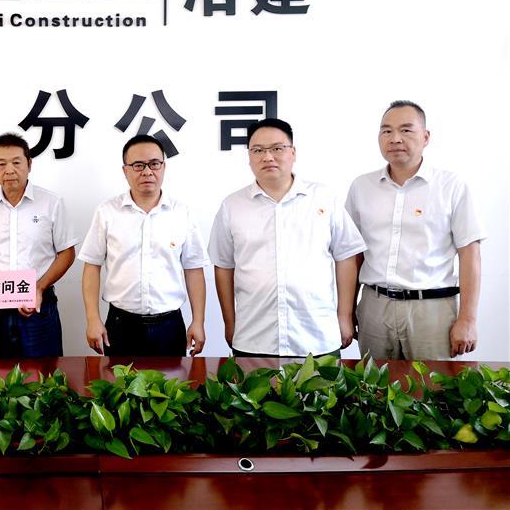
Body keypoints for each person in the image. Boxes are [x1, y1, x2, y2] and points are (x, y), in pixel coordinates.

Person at [208, 119, 366, 358]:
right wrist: (230, 322)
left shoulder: (324, 198)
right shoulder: (232, 206)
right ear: (249, 157)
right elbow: (223, 266)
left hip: (316, 336)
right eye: (258, 150)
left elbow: (346, 257)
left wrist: (344, 316)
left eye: (277, 148)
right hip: (253, 338)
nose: (267, 157)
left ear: (293, 153)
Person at [346, 101, 485, 360]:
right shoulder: (361, 187)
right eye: (386, 131)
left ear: (426, 137)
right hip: (374, 306)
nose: (395, 138)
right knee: (372, 384)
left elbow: (470, 255)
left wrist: (468, 318)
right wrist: (346, 312)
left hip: (431, 310)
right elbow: (353, 255)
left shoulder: (451, 186)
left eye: (406, 130)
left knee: (432, 384)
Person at [79, 134, 208, 357]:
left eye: (154, 164)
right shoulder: (107, 212)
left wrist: (198, 321)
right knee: (118, 380)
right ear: (125, 170)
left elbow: (194, 269)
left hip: (169, 325)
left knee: (172, 380)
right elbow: (91, 265)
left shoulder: (182, 213)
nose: (147, 172)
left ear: (163, 167)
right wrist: (92, 319)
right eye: (138, 165)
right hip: (120, 324)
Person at [0, 134, 79, 358]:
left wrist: (39, 287)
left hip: (38, 304)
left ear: (29, 164)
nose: (9, 170)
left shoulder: (51, 203)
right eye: (1, 164)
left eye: (16, 162)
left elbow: (67, 252)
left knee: (43, 374)